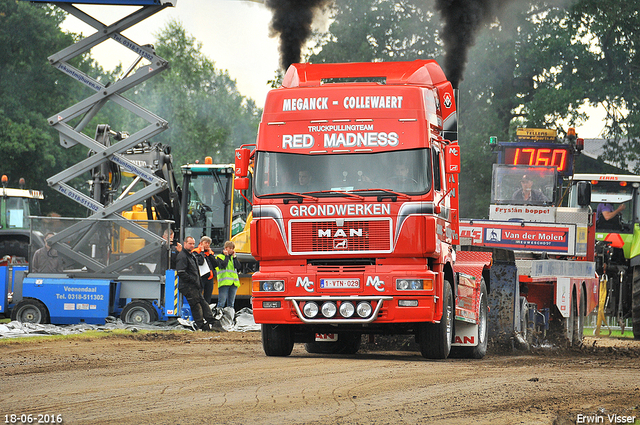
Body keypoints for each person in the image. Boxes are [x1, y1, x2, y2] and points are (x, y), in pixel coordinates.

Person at [176, 236, 216, 331]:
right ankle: (202, 326)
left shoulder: (191, 255)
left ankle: (212, 322)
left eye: (193, 244)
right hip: (188, 286)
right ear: (185, 243)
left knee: (203, 304)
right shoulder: (182, 256)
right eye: (190, 243)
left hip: (195, 285)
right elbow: (181, 272)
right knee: (196, 306)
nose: (192, 245)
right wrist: (193, 280)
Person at [214, 240, 242, 310]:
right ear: (226, 248)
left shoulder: (233, 258)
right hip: (224, 282)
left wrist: (235, 257)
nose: (231, 250)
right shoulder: (219, 257)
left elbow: (238, 267)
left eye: (232, 249)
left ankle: (230, 317)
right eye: (230, 248)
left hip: (234, 283)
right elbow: (223, 265)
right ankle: (219, 317)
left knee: (231, 304)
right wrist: (226, 256)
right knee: (221, 303)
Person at [192, 236, 216, 304]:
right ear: (201, 243)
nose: (207, 245)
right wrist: (202, 252)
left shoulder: (210, 253)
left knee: (208, 297)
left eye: (208, 243)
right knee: (198, 295)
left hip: (209, 278)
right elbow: (200, 262)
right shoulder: (196, 252)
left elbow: (215, 264)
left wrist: (210, 255)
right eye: (206, 243)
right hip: (200, 277)